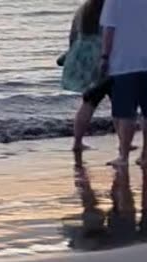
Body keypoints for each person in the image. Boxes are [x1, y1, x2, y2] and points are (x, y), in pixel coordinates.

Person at [100, 0, 147, 167]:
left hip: (125, 63)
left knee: (125, 112)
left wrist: (104, 57)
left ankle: (123, 157)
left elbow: (109, 29)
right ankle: (145, 156)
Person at [60, 0, 111, 153]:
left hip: (86, 62)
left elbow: (72, 37)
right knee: (119, 102)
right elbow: (112, 36)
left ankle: (77, 142)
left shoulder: (82, 11)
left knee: (89, 102)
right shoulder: (110, 11)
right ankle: (124, 142)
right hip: (103, 59)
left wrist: (70, 57)